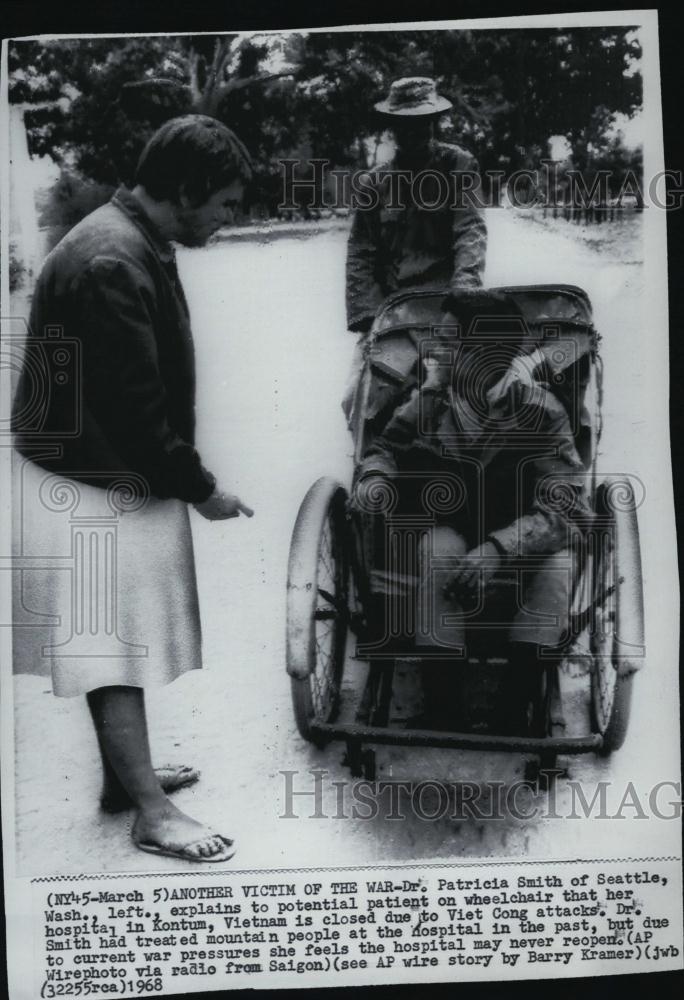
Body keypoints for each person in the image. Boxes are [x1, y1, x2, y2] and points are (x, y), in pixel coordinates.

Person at [12, 115, 254, 862]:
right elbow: (140, 414)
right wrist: (201, 488)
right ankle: (151, 811)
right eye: (224, 203)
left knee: (113, 639)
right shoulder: (114, 258)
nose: (228, 218)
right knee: (108, 646)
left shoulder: (131, 235)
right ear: (183, 190)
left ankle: (129, 779)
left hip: (96, 463)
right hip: (91, 476)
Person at [355, 294, 592, 730]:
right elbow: (384, 449)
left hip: (526, 534)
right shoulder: (431, 401)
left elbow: (567, 507)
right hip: (457, 526)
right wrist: (376, 478)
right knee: (436, 548)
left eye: (447, 342)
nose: (434, 351)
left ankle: (515, 708)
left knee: (558, 567)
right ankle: (443, 707)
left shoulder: (542, 412)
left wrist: (499, 549)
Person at [342, 76, 487, 422]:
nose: (414, 132)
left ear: (434, 123)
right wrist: (369, 319)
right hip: (394, 314)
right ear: (392, 126)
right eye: (405, 124)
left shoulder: (458, 166)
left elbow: (470, 230)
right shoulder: (374, 182)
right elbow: (361, 251)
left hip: (448, 308)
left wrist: (465, 293)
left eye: (422, 123)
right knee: (357, 401)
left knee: (475, 398)